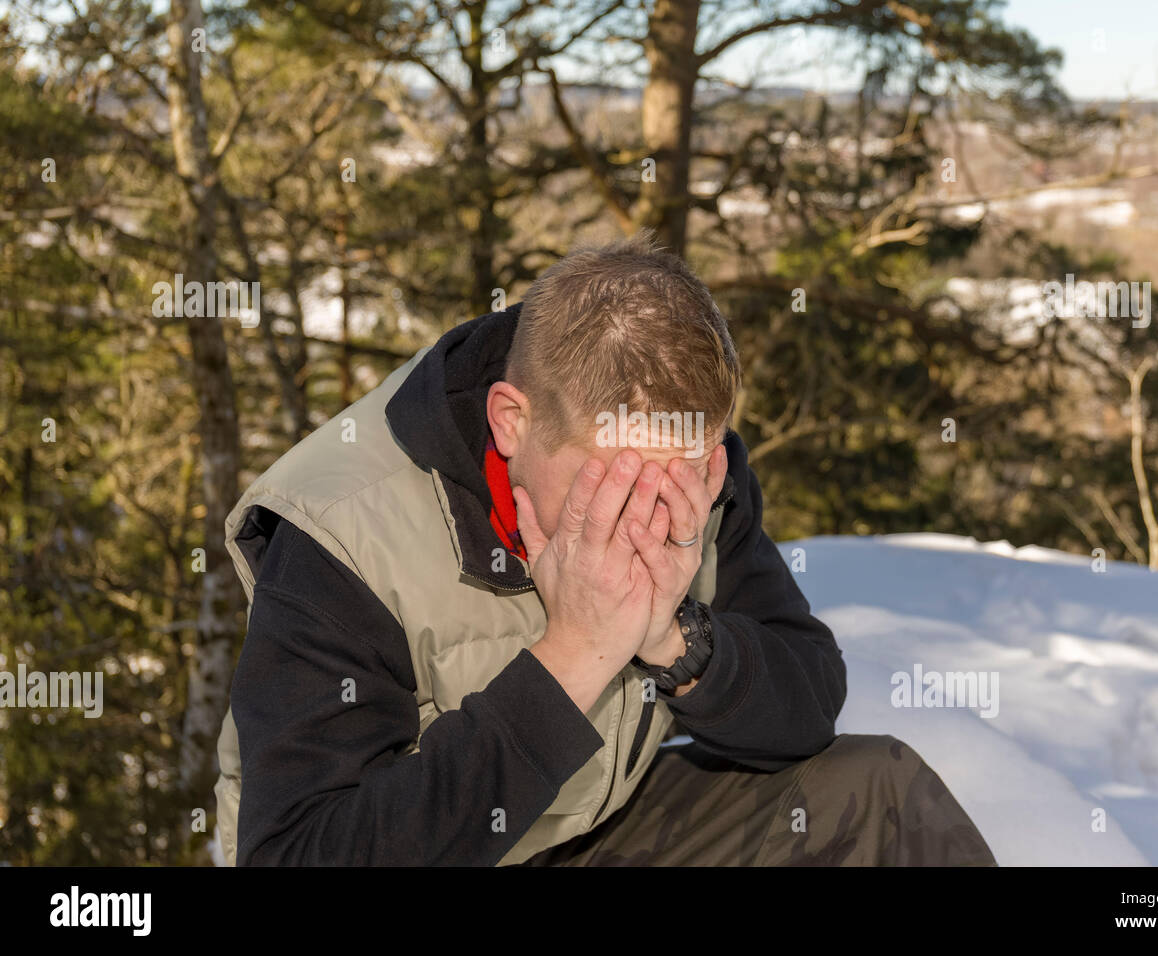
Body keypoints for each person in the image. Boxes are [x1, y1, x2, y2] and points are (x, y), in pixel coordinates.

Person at [213, 232, 995, 866]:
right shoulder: (342, 535)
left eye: (677, 482)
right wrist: (574, 656)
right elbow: (302, 852)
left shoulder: (694, 466)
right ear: (511, 421)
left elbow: (805, 706)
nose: (648, 521)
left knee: (875, 794)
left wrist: (675, 639)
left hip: (595, 831)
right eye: (612, 485)